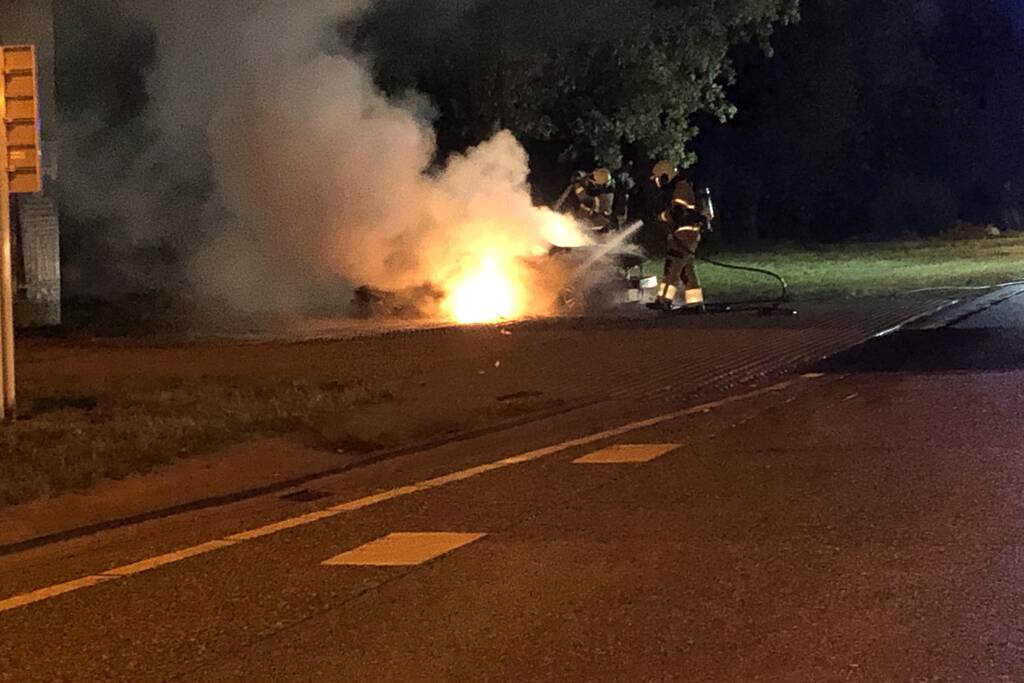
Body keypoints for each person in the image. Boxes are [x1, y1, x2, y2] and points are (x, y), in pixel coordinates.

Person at [647, 162, 710, 312]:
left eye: (658, 179)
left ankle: (663, 301)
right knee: (686, 269)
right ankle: (695, 304)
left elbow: (677, 212)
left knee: (672, 267)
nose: (658, 183)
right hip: (688, 233)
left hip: (685, 234)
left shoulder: (681, 188)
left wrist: (661, 217)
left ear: (665, 176)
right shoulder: (682, 186)